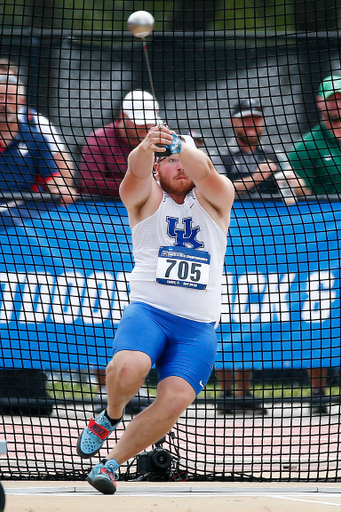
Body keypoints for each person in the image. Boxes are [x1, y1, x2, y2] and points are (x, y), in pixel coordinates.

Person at [76, 125, 234, 494]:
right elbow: (134, 170)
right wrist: (146, 147)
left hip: (197, 326)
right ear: (158, 169)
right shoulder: (146, 198)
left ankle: (111, 464)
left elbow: (206, 172)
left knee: (177, 398)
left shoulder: (216, 196)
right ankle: (111, 414)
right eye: (171, 161)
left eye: (186, 161)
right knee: (131, 367)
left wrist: (182, 146)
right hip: (151, 312)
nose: (180, 167)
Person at [80, 89, 161, 412]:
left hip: (149, 236)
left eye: (147, 125)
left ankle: (138, 388)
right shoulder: (99, 140)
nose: (144, 131)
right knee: (101, 309)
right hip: (102, 236)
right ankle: (106, 389)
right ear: (123, 119)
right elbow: (88, 182)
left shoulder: (161, 139)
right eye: (138, 125)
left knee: (146, 312)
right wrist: (136, 185)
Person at [288, 74, 341, 415]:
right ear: (320, 103)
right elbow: (295, 196)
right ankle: (318, 393)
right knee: (319, 316)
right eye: (332, 97)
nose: (337, 103)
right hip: (323, 244)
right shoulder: (306, 146)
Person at [0, 58, 77, 204]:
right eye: (0, 96)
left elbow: (54, 173)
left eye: (9, 96)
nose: (4, 103)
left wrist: (62, 188)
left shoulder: (37, 131)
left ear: (21, 101)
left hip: (21, 210)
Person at [210, 98, 304, 202]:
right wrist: (255, 178)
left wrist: (296, 184)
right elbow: (216, 190)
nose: (251, 124)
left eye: (256, 118)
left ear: (262, 120)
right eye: (245, 119)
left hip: (272, 215)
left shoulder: (276, 156)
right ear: (232, 121)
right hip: (234, 216)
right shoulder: (218, 157)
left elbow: (303, 191)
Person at [79, 90, 160, 197]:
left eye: (150, 121)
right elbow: (90, 183)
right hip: (104, 208)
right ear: (122, 115)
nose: (146, 126)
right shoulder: (99, 139)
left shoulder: (162, 140)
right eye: (140, 121)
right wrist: (141, 187)